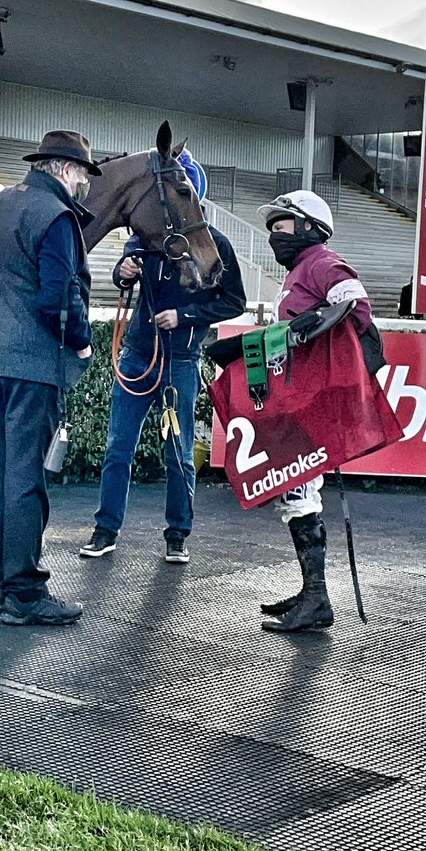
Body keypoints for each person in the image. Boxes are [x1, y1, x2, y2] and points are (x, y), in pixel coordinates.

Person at [79, 151, 246, 565]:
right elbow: (122, 269)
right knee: (119, 448)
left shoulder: (216, 244)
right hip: (138, 356)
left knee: (179, 453)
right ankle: (106, 530)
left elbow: (235, 301)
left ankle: (177, 535)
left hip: (181, 362)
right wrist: (125, 270)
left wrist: (186, 315)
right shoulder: (147, 234)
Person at [0, 130, 98, 627]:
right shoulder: (58, 217)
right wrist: (83, 343)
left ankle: (5, 585)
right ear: (64, 170)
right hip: (31, 364)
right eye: (82, 172)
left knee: (5, 474)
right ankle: (23, 592)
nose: (84, 182)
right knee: (26, 478)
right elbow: (57, 298)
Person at [254, 189, 384, 633]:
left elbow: (357, 304)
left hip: (312, 402)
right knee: (297, 494)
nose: (275, 233)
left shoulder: (321, 262)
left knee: (298, 493)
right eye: (271, 226)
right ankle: (313, 593)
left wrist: (313, 330)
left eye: (282, 224)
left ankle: (317, 598)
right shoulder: (298, 272)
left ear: (309, 227)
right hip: (297, 398)